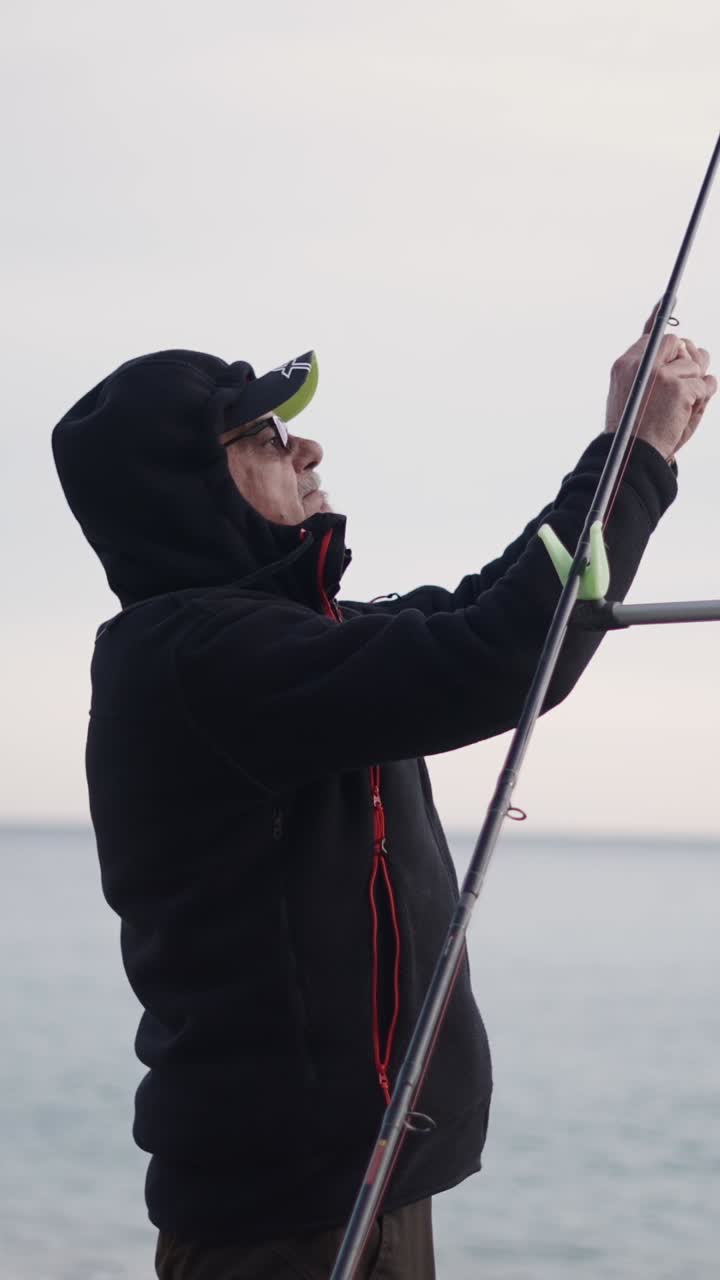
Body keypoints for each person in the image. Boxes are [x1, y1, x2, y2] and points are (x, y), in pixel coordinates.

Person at [52, 324, 715, 1280]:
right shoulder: (199, 660)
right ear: (189, 487)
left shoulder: (283, 643)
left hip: (355, 1186)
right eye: (267, 438)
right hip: (284, 1222)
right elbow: (502, 657)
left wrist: (625, 460)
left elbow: (489, 608)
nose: (307, 449)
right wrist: (633, 455)